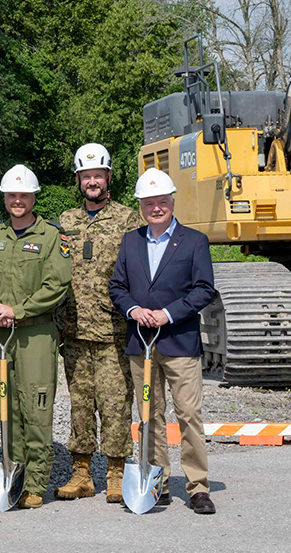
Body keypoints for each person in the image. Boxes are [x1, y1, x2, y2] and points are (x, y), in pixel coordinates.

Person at [108, 168, 217, 515]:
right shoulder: (131, 241)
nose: (156, 208)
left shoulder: (194, 241)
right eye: (149, 203)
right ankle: (157, 481)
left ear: (172, 202)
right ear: (141, 206)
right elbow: (117, 288)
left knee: (188, 415)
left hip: (179, 342)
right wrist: (135, 309)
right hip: (142, 343)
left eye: (162, 202)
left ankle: (198, 487)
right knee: (148, 416)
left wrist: (167, 314)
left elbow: (204, 290)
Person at [55, 144, 143, 503]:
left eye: (98, 175)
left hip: (113, 331)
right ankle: (81, 474)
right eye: (85, 176)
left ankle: (116, 473)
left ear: (109, 177)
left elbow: (139, 270)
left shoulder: (127, 220)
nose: (92, 181)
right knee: (79, 403)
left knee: (115, 404)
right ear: (78, 180)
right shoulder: (66, 220)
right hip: (74, 330)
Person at [0, 164, 71, 509]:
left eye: (24, 195)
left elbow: (57, 284)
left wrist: (18, 310)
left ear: (34, 197)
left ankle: (35, 483)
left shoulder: (51, 236)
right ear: (5, 198)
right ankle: (11, 475)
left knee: (36, 406)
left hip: (36, 334)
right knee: (6, 406)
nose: (17, 200)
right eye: (12, 195)